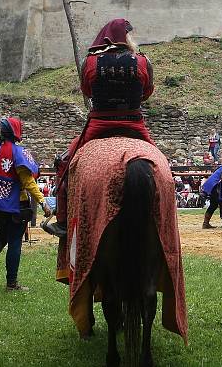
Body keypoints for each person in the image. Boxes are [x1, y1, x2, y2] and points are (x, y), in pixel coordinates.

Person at [48, 18, 155, 238]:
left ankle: (62, 220)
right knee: (162, 166)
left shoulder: (90, 62)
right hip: (134, 124)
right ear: (126, 37)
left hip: (99, 124)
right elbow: (147, 92)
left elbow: (87, 90)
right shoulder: (143, 61)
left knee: (65, 163)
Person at [0, 117, 52, 293]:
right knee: (15, 241)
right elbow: (28, 181)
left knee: (1, 238)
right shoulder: (18, 152)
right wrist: (43, 202)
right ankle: (11, 283)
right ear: (16, 132)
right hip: (17, 205)